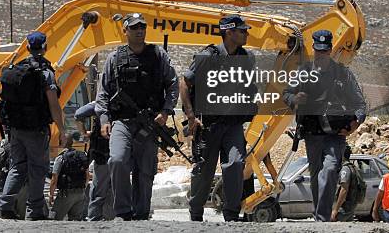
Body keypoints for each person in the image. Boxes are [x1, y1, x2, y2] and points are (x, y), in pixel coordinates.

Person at [95, 12, 179, 221]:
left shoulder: (158, 55)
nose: (139, 30)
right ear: (125, 30)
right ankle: (123, 211)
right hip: (122, 121)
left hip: (149, 123)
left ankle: (141, 212)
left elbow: (173, 84)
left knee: (145, 169)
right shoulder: (115, 58)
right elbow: (103, 92)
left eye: (142, 26)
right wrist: (104, 119)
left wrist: (166, 111)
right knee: (117, 159)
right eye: (134, 27)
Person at [283, 29, 367, 222]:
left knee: (329, 170)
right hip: (312, 132)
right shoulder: (302, 72)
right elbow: (286, 94)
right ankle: (318, 214)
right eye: (318, 51)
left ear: (330, 50)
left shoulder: (343, 74)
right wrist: (294, 98)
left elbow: (360, 104)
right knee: (315, 176)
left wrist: (356, 122)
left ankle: (322, 219)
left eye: (325, 51)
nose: (321, 55)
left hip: (335, 133)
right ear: (314, 50)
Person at [179, 14, 257, 222]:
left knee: (235, 164)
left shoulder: (247, 59)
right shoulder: (208, 56)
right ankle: (196, 214)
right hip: (209, 126)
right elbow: (185, 83)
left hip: (233, 125)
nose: (246, 34)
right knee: (204, 171)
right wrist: (191, 116)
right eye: (242, 31)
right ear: (229, 32)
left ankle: (231, 215)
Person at [0, 31, 66, 221]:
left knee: (17, 167)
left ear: (27, 47)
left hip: (16, 128)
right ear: (45, 47)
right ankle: (34, 210)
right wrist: (62, 129)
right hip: (36, 129)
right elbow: (53, 103)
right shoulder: (45, 72)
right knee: (37, 169)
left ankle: (3, 207)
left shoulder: (17, 69)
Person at [74, 101, 114, 221]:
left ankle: (95, 216)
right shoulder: (118, 103)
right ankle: (110, 216)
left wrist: (84, 133)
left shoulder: (99, 104)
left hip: (103, 151)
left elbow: (78, 115)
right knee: (112, 187)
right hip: (115, 153)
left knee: (99, 186)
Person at [49, 132, 89, 220]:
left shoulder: (61, 158)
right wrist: (83, 189)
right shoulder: (81, 155)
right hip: (80, 193)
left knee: (53, 219)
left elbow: (54, 179)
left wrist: (51, 195)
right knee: (75, 221)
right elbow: (87, 175)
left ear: (61, 142)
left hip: (66, 194)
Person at [331, 145, 364, 221]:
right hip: (350, 205)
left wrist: (336, 209)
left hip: (344, 207)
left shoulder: (345, 169)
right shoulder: (352, 167)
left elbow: (344, 190)